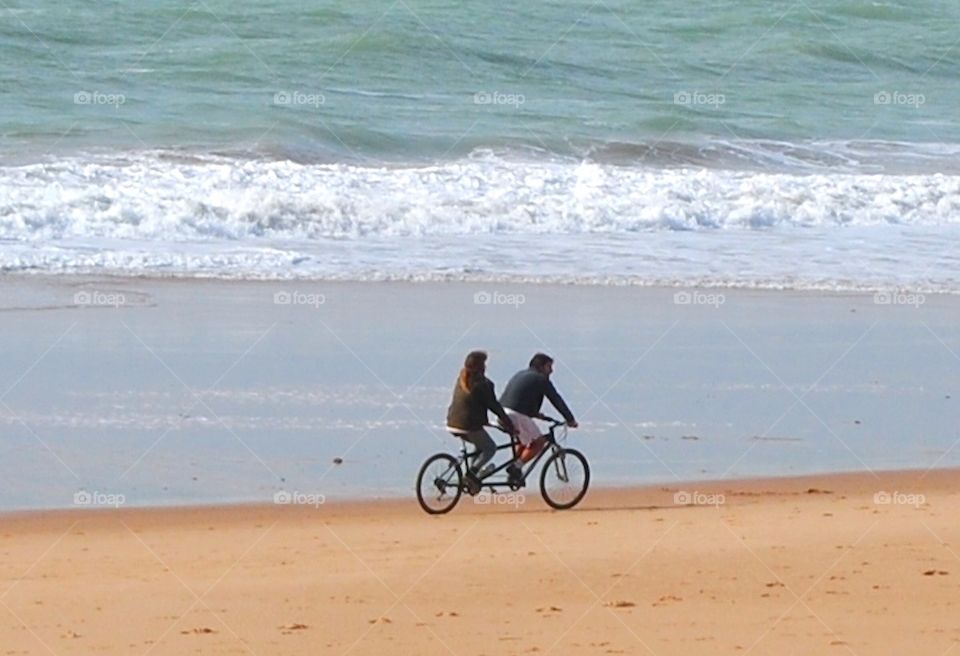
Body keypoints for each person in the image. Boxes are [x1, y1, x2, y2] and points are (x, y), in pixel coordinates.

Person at [499, 353, 578, 485]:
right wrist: (570, 419)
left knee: (524, 441)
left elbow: (519, 397)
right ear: (541, 367)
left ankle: (515, 472)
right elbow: (556, 399)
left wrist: (535, 413)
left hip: (502, 412)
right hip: (516, 414)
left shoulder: (521, 374)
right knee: (539, 442)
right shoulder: (541, 379)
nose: (551, 371)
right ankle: (515, 467)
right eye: (549, 367)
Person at [446, 350, 516, 494]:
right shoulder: (483, 384)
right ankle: (471, 475)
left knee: (480, 445)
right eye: (484, 363)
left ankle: (475, 478)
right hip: (468, 425)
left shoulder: (461, 378)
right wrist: (510, 425)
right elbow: (494, 406)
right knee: (490, 448)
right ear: (480, 366)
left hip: (453, 423)